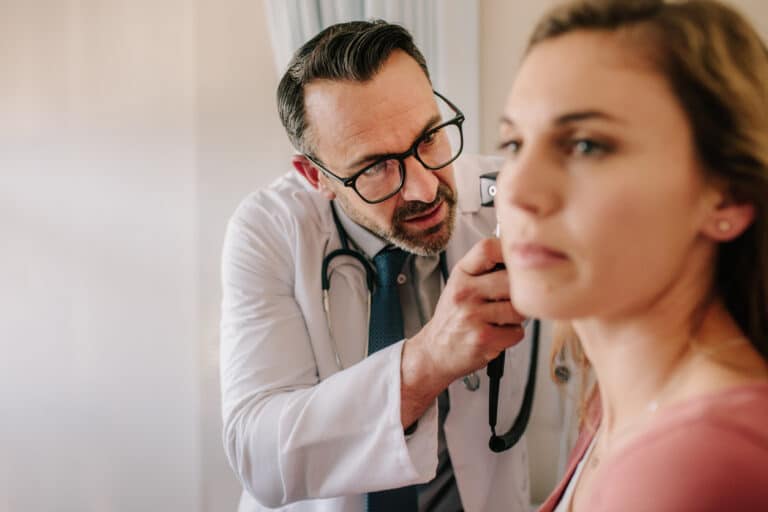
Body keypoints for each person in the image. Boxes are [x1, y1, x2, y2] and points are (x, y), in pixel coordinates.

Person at [220, 20, 537, 512]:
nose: (425, 189)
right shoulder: (269, 231)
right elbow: (258, 455)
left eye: (430, 137)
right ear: (315, 176)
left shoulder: (507, 196)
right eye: (375, 167)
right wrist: (427, 361)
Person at [494, 0, 768, 510]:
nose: (517, 190)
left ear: (727, 196)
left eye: (585, 145)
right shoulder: (612, 404)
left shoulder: (700, 466)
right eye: (513, 144)